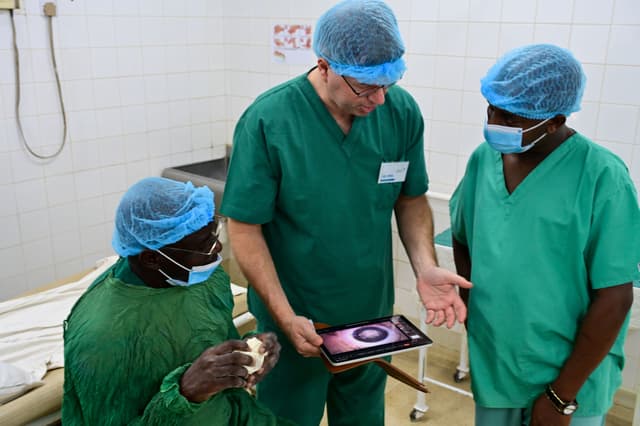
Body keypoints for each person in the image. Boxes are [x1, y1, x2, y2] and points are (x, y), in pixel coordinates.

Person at [219, 0, 472, 424]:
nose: (378, 99)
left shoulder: (401, 111)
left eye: (387, 84)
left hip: (369, 320)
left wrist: (424, 267)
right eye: (364, 87)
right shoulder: (270, 120)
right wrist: (284, 316)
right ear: (323, 65)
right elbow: (245, 228)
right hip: (296, 321)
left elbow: (410, 199)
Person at [450, 44, 640, 426]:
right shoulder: (483, 159)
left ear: (554, 120)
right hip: (498, 366)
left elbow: (615, 298)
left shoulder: (602, 176)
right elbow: (462, 237)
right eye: (490, 108)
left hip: (570, 380)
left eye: (509, 117)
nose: (494, 122)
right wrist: (474, 314)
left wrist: (560, 398)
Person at [62, 177, 294, 426]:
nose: (216, 247)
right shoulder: (101, 337)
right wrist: (186, 393)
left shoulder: (203, 276)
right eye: (203, 245)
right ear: (152, 259)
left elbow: (214, 337)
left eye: (213, 233)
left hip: (233, 414)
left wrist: (246, 357)